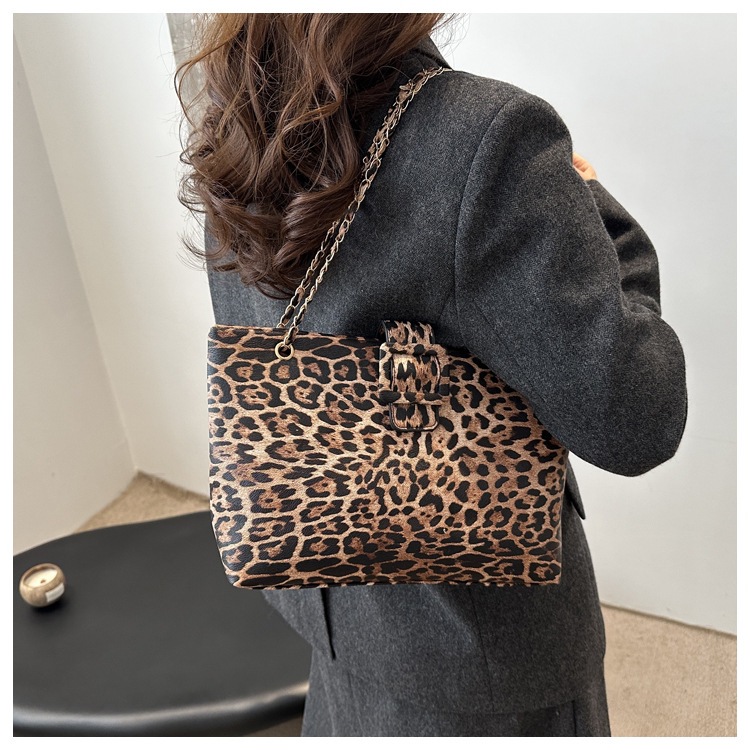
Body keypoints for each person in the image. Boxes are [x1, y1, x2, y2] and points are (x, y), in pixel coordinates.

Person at [176, 13, 688, 737]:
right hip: (479, 655)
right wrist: (594, 207)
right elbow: (637, 418)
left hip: (320, 586)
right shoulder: (488, 136)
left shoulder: (238, 111)